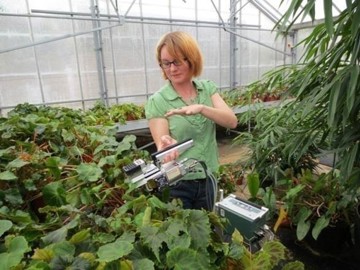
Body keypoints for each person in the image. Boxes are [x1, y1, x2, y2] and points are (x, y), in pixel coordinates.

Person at [144, 31, 237, 211]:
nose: (172, 69)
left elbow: (231, 121)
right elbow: (162, 145)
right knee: (185, 233)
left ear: (191, 59)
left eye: (177, 61)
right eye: (166, 63)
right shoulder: (158, 101)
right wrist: (167, 147)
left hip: (208, 178)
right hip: (178, 184)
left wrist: (202, 108)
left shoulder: (207, 89)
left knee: (209, 230)